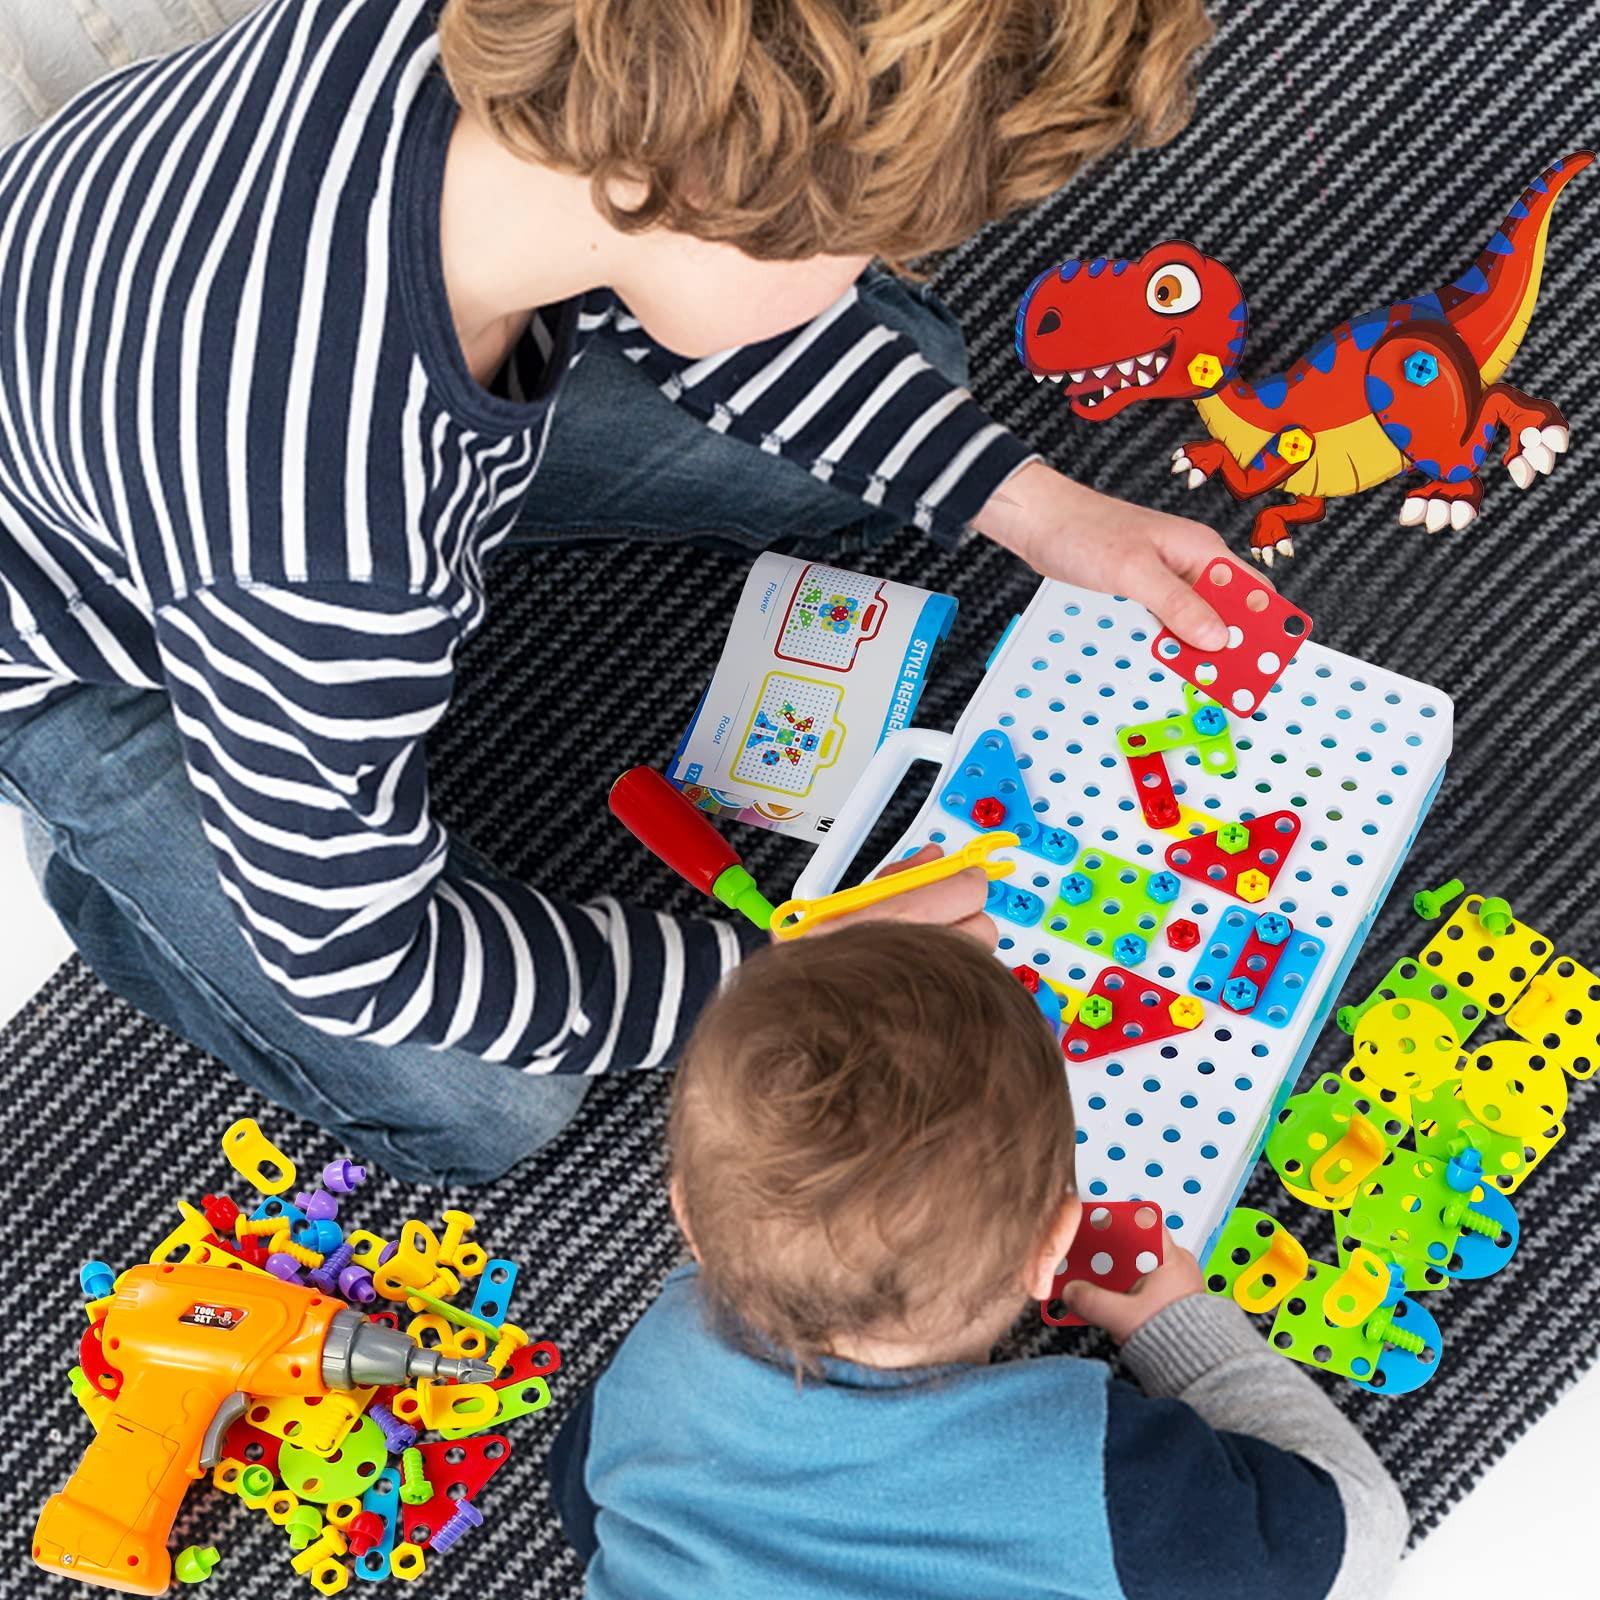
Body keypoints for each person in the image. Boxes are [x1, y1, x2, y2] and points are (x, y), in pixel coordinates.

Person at [0, 0, 1235, 1184]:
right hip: (94, 632)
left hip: (209, 362)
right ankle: (95, 837)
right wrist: (761, 971)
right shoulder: (325, 549)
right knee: (486, 1098)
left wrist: (1041, 509)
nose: (872, 266)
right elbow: (351, 958)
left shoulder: (544, 79)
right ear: (699, 196)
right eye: (859, 241)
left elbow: (726, 269)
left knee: (909, 373)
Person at [548, 923, 1409, 1599]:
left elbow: (587, 1504)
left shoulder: (651, 1371)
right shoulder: (1094, 1472)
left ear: (688, 1219)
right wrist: (1179, 1330)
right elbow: (1359, 1537)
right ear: (1051, 1250)